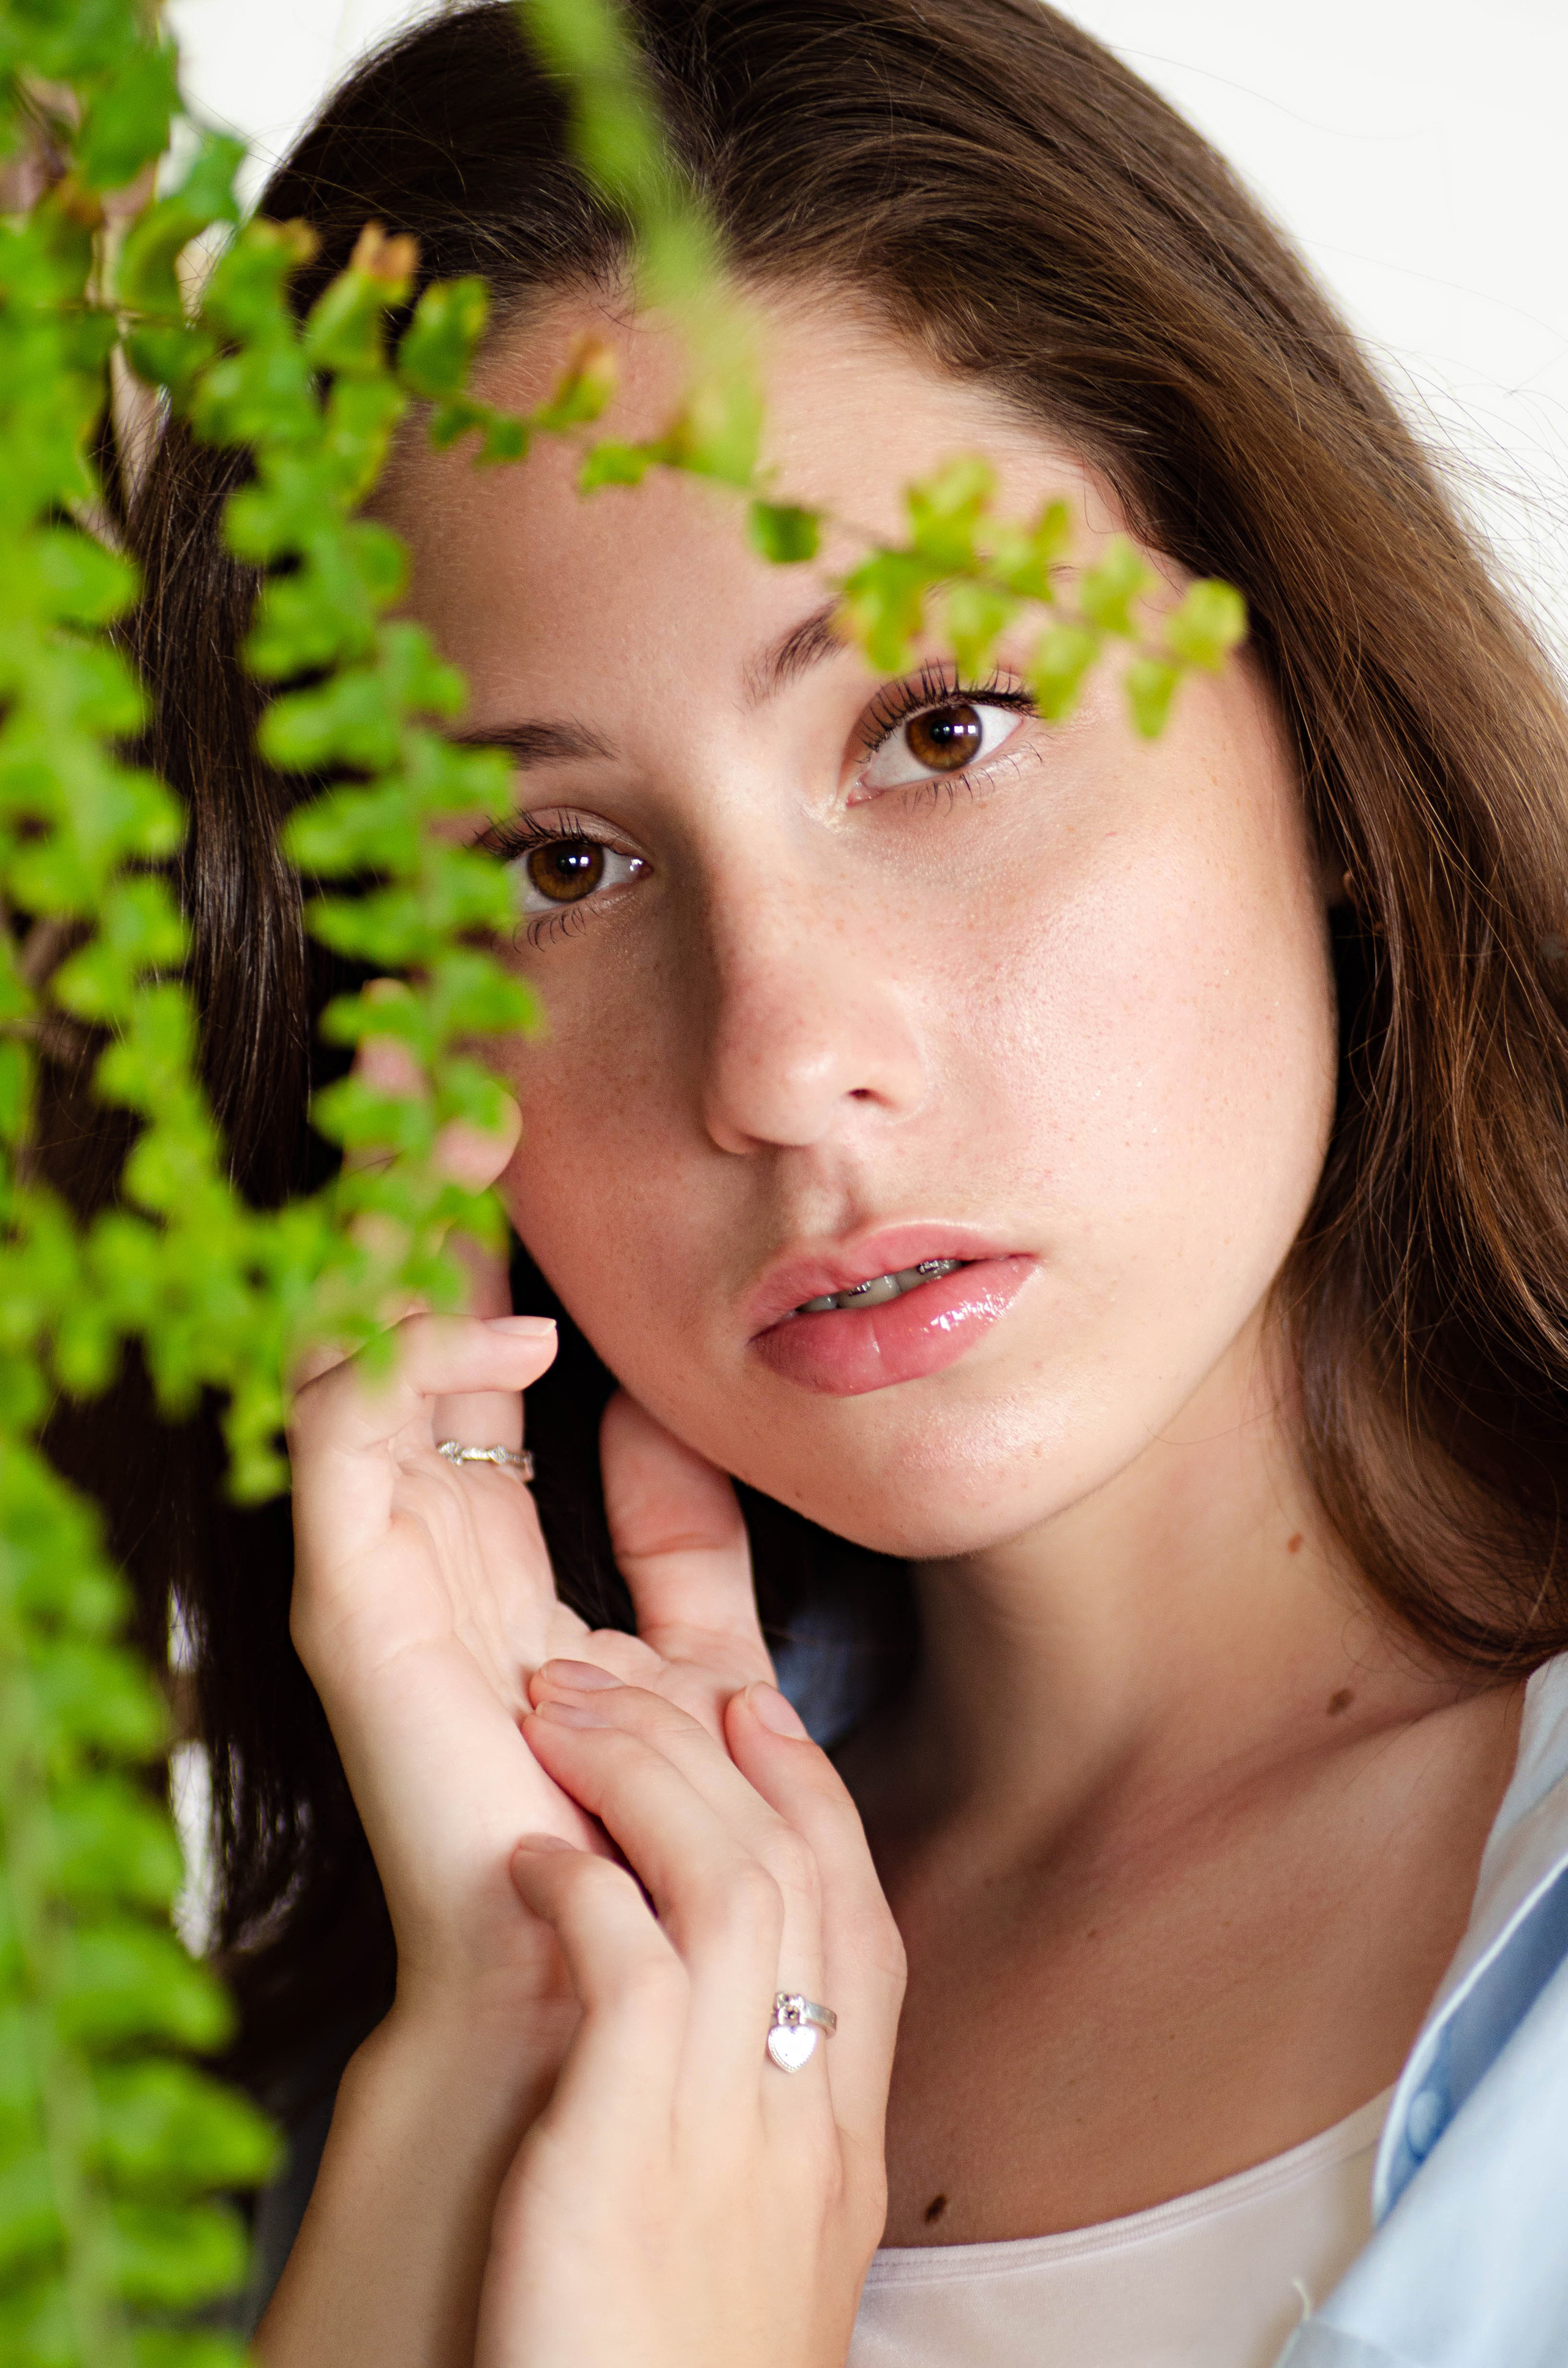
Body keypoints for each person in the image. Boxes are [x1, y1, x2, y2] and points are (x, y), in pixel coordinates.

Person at [96, 1, 1568, 2361]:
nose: (781, 1062)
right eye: (558, 860)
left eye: (937, 728)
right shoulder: (350, 2056)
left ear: (1321, 740)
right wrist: (490, 2020)